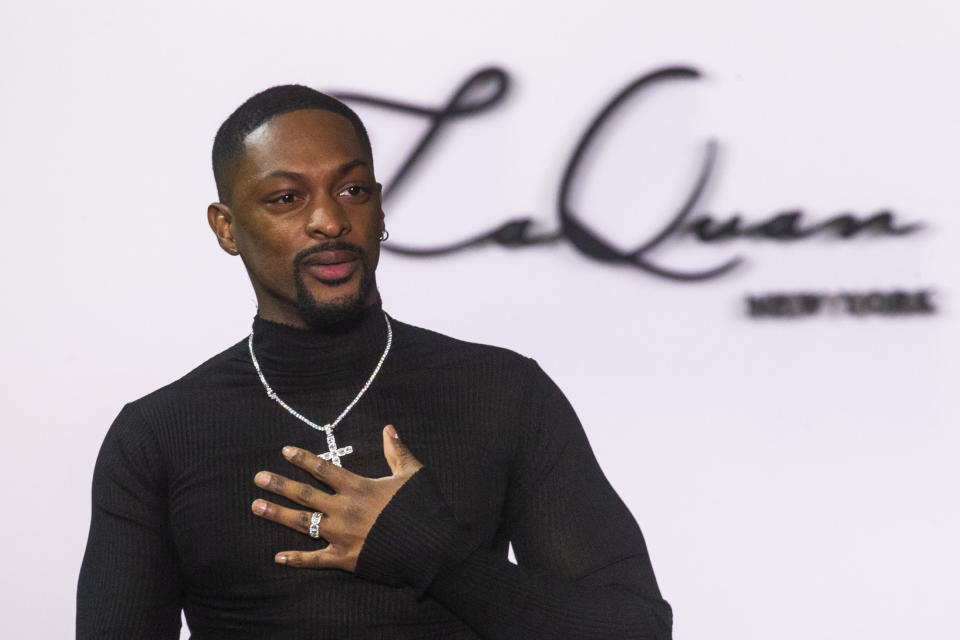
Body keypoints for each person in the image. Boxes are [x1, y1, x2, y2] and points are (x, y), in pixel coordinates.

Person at [77, 85, 673, 639]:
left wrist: (436, 557)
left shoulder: (501, 392)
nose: (329, 221)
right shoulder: (158, 436)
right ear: (226, 228)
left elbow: (636, 627)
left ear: (380, 210)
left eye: (352, 190)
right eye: (287, 198)